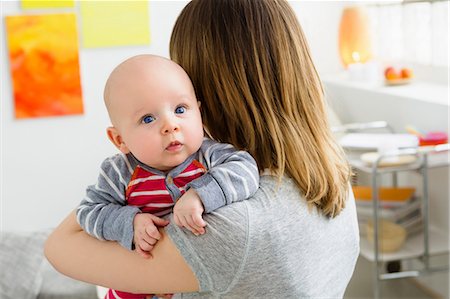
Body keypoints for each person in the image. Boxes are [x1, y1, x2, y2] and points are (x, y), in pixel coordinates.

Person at [45, 0, 360, 298]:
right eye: (149, 117)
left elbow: (59, 247)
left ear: (205, 95)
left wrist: (130, 164)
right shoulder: (335, 178)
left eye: (181, 103)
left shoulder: (227, 227)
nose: (170, 125)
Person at [77, 54, 259, 299]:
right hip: (134, 284)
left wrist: (199, 194)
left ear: (199, 113)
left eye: (180, 109)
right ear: (120, 140)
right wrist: (129, 222)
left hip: (193, 281)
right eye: (148, 119)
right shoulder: (119, 173)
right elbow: (88, 212)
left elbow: (246, 170)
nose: (170, 125)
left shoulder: (208, 155)